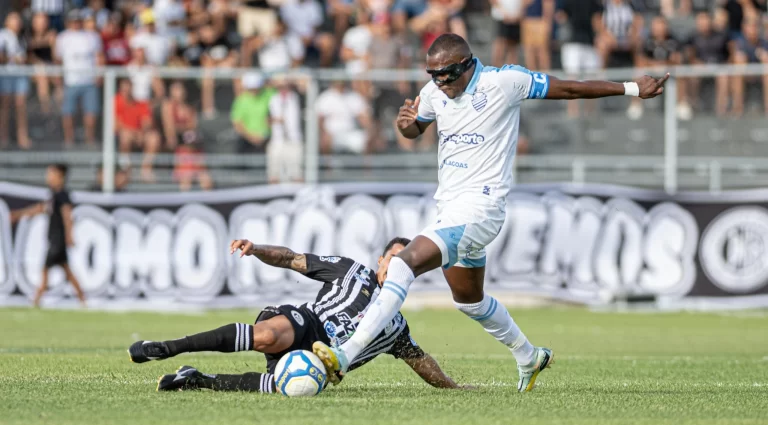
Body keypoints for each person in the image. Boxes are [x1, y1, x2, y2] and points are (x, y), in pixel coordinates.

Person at [312, 33, 669, 393]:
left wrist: (631, 88)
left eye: (445, 75)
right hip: (449, 209)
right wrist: (406, 124)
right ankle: (529, 356)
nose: (439, 83)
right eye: (432, 75)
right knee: (469, 301)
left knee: (403, 264)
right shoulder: (436, 90)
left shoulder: (504, 82)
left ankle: (344, 355)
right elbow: (413, 128)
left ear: (467, 65)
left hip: (481, 208)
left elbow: (569, 89)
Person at [127, 237, 467, 393]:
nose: (396, 265)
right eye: (393, 257)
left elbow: (422, 363)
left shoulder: (395, 329)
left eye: (405, 262)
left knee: (294, 389)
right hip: (300, 324)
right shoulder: (350, 272)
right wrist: (257, 249)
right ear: (380, 260)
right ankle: (168, 347)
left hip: (316, 365)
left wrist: (456, 387)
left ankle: (197, 380)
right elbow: (292, 259)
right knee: (269, 336)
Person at [11, 164, 86, 308]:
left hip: (58, 241)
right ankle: (82, 300)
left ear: (60, 176)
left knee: (45, 269)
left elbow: (67, 215)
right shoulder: (53, 195)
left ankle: (37, 300)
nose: (48, 177)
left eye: (51, 174)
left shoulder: (62, 195)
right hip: (55, 240)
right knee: (67, 271)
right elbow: (40, 209)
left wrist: (69, 236)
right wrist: (19, 214)